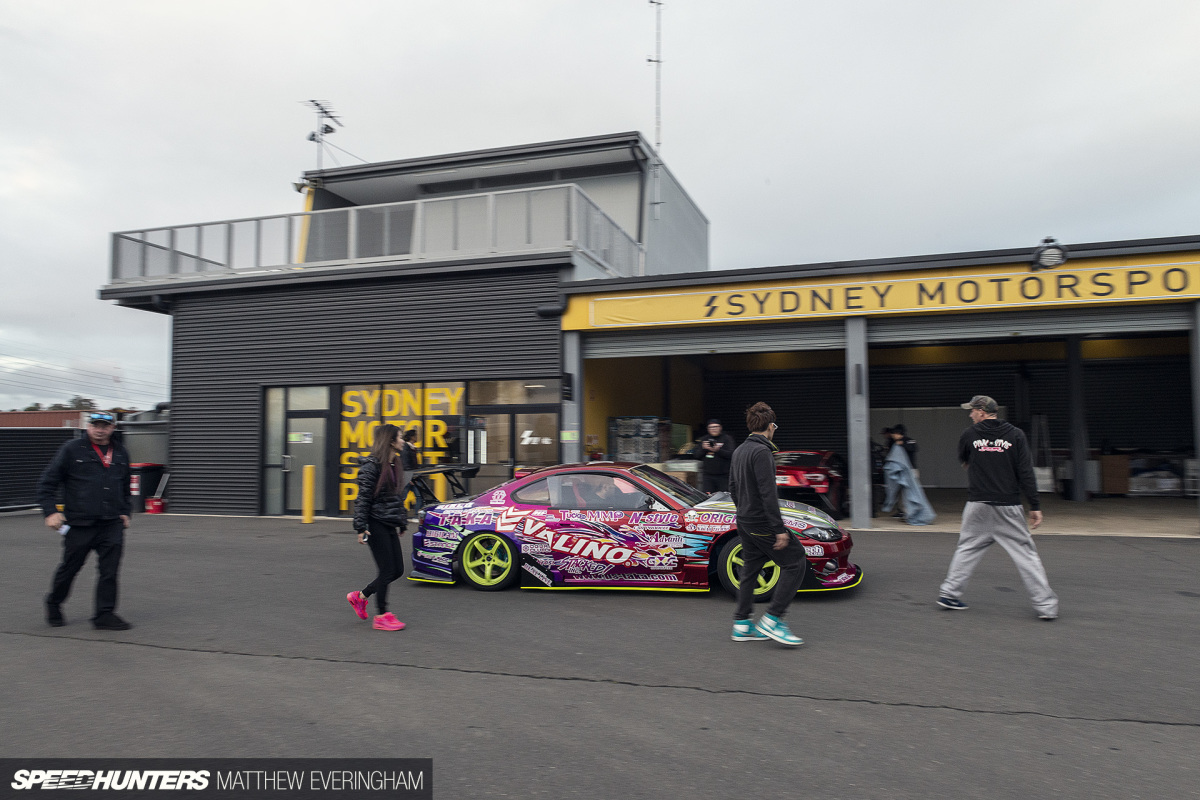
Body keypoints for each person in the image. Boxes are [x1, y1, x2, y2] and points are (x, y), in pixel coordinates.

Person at [937, 395, 1058, 620]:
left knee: (967, 548)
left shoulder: (969, 435)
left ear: (982, 412)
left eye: (972, 411)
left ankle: (949, 593)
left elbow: (964, 461)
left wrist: (982, 466)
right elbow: (1025, 472)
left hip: (978, 505)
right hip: (1007, 506)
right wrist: (1035, 505)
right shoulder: (1015, 435)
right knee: (1025, 554)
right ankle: (1046, 606)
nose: (970, 415)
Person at [36, 411, 133, 630]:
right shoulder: (71, 450)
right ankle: (54, 603)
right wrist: (50, 511)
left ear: (112, 428)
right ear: (88, 426)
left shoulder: (120, 452)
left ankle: (104, 615)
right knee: (70, 568)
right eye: (95, 425)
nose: (100, 430)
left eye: (105, 426)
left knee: (109, 571)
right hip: (80, 524)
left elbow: (125, 486)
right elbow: (47, 483)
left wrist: (126, 511)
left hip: (111, 523)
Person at [727, 402, 805, 646]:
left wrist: (744, 511)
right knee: (796, 561)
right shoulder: (762, 452)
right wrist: (778, 529)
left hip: (745, 520)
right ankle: (773, 620)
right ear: (770, 426)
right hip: (761, 522)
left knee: (750, 568)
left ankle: (741, 624)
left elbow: (732, 487)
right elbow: (768, 494)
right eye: (775, 426)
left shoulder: (740, 450)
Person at [347, 423, 408, 631]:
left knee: (397, 569)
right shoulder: (371, 467)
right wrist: (360, 526)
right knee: (387, 569)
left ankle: (360, 596)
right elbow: (362, 498)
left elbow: (395, 498)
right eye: (400, 437)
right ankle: (382, 615)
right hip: (374, 523)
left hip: (389, 522)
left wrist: (401, 521)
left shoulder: (395, 464)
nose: (403, 441)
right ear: (391, 441)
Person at [880, 425, 935, 526]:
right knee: (903, 494)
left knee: (913, 492)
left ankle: (916, 513)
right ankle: (905, 513)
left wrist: (903, 444)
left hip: (910, 470)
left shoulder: (908, 441)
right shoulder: (893, 443)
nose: (892, 436)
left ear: (898, 434)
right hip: (901, 473)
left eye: (894, 434)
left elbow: (914, 448)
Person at [695, 419, 735, 493]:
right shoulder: (704, 439)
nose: (714, 429)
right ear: (708, 429)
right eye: (711, 427)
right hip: (708, 476)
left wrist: (718, 450)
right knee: (708, 497)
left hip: (723, 476)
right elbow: (697, 456)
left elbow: (731, 454)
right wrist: (704, 449)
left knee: (724, 497)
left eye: (716, 427)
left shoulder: (727, 439)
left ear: (720, 427)